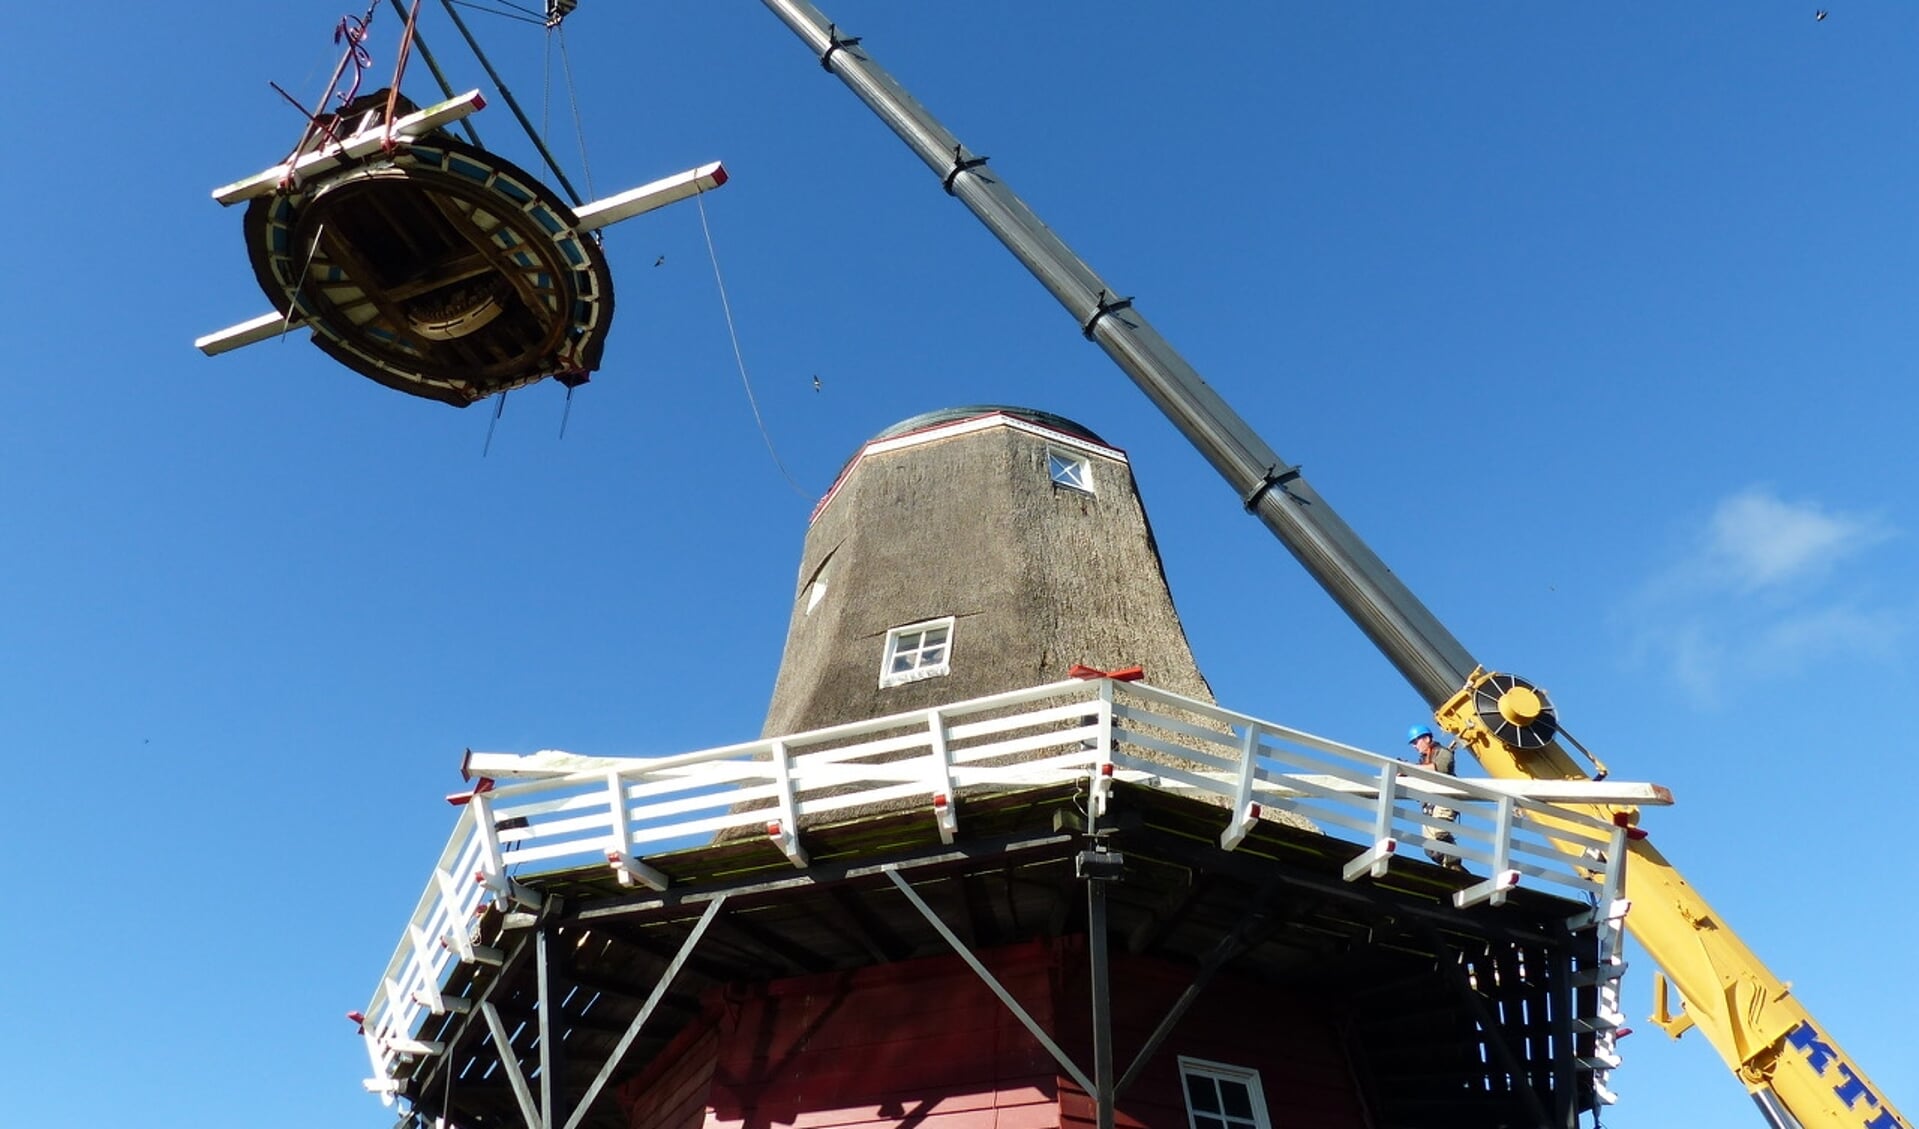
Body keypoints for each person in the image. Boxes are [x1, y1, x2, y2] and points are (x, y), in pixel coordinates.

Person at [1407, 724, 1466, 871]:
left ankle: (1455, 867)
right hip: (1430, 806)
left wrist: (1410, 769)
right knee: (1430, 848)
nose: (1415, 746)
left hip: (1445, 799)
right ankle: (1451, 867)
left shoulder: (1442, 752)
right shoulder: (1423, 761)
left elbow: (1439, 769)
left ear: (1426, 738)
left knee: (1441, 834)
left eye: (1416, 741)